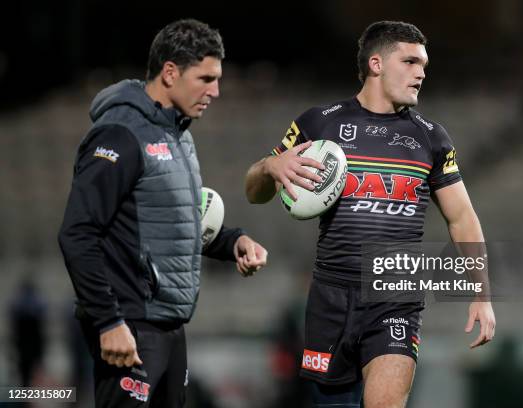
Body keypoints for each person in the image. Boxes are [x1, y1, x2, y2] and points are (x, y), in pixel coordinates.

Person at [245, 21, 495, 408]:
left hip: (395, 293)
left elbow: (462, 217)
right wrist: (268, 168)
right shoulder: (319, 123)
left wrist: (481, 291)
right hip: (330, 296)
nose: (421, 72)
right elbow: (253, 192)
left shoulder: (431, 138)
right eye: (410, 61)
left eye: (424, 64)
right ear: (376, 64)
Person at [58, 19, 267, 408]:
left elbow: (169, 222)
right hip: (130, 325)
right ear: (170, 72)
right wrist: (109, 322)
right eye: (206, 78)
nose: (216, 91)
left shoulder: (176, 134)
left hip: (168, 326)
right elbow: (77, 232)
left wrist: (232, 240)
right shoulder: (120, 134)